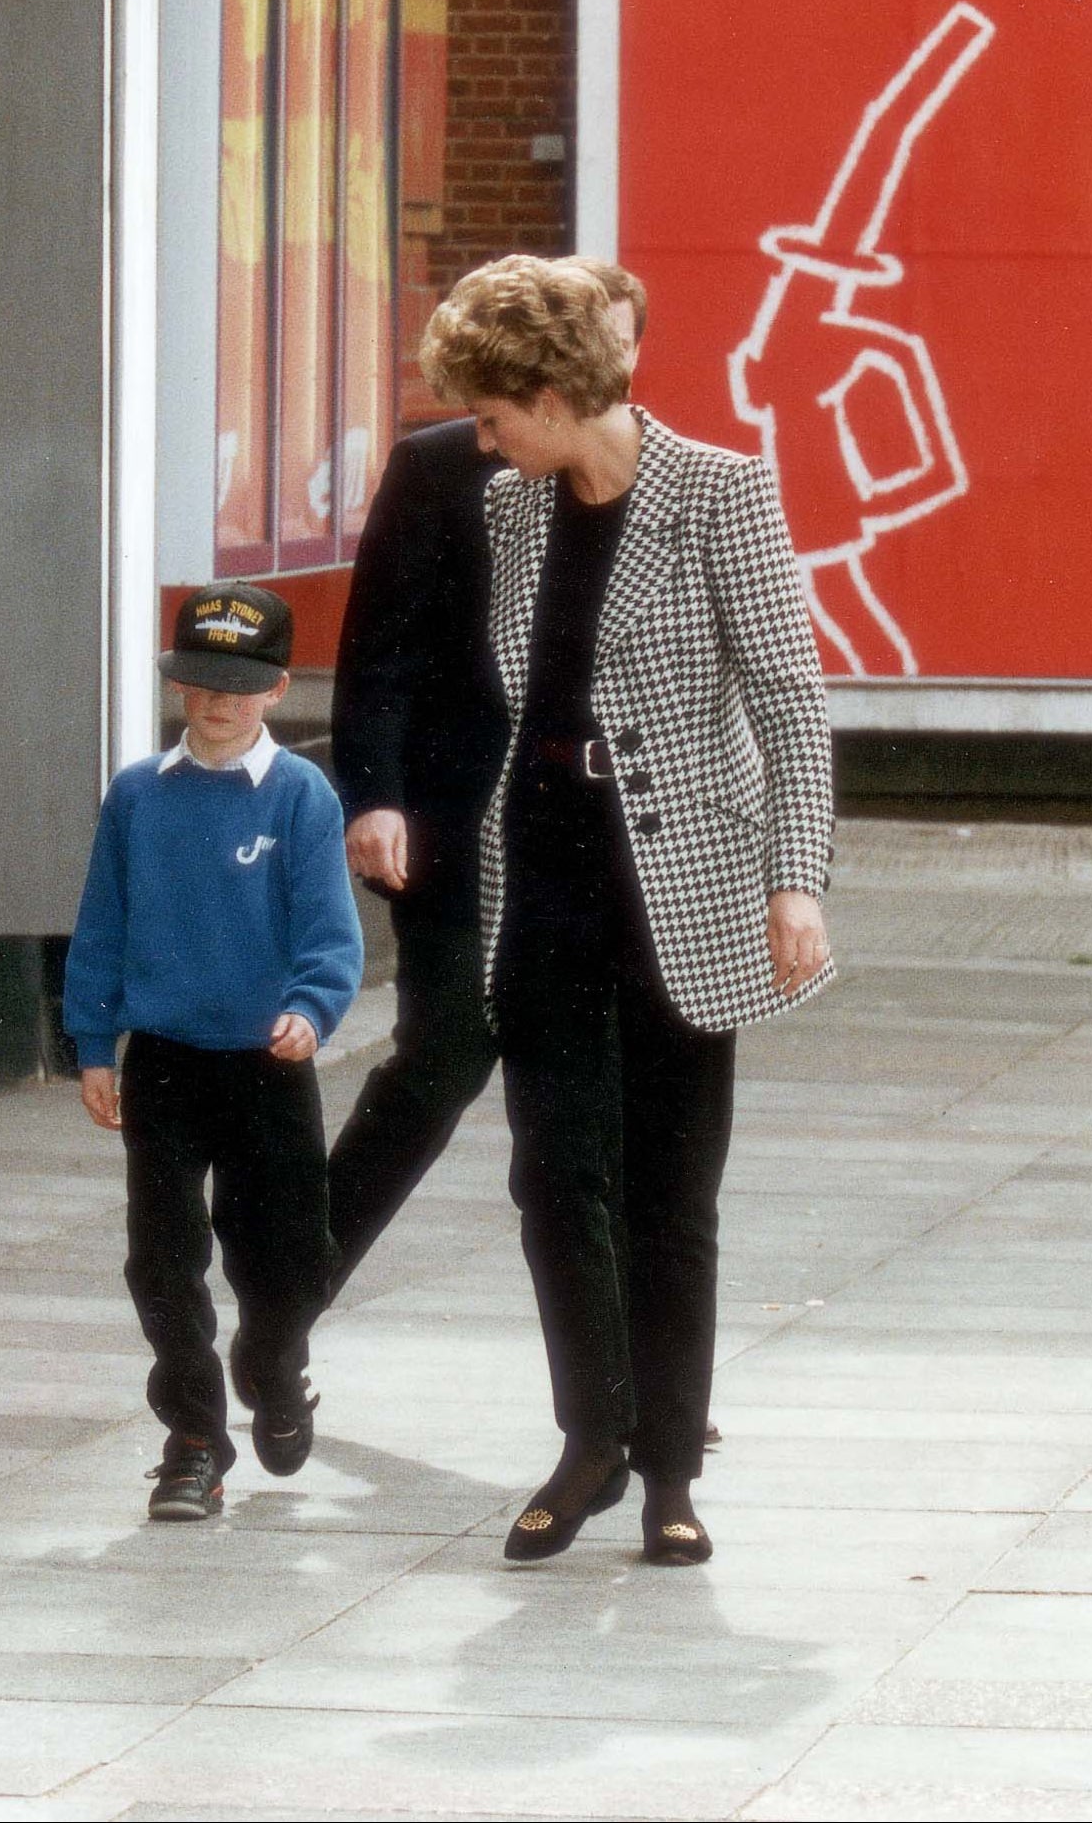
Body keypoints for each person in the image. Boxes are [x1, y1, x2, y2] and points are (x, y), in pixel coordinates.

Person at [420, 256, 835, 1566]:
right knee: (550, 1176)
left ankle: (668, 1471)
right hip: (543, 867)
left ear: (547, 396)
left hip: (686, 885)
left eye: (492, 414)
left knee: (672, 1190)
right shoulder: (508, 510)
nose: (480, 440)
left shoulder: (721, 490)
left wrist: (795, 875)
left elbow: (787, 699)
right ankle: (588, 1441)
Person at [326, 258, 646, 1296]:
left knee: (596, 1116)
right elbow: (377, 646)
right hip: (456, 827)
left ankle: (635, 1372)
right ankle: (290, 1288)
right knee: (441, 1059)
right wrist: (371, 793)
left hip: (591, 857)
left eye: (628, 342)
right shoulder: (444, 467)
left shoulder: (661, 482)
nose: (615, 362)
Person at [64, 584, 364, 1523]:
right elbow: (101, 925)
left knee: (281, 1261)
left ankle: (274, 1372)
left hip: (267, 1065)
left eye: (239, 685)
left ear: (276, 689)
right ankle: (193, 1438)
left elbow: (330, 934)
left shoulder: (300, 796)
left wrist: (312, 1009)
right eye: (199, 682)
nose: (218, 702)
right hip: (163, 1058)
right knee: (159, 1257)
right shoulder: (138, 795)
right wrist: (93, 1042)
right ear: (177, 686)